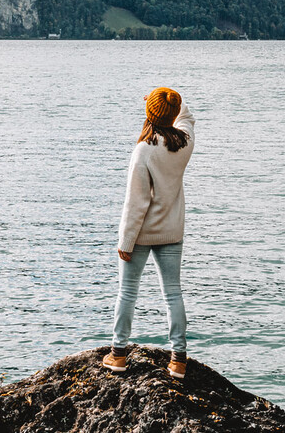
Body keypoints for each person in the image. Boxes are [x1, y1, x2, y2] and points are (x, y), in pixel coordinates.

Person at [102, 87, 195, 379]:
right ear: (173, 113)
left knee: (127, 293)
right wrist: (170, 100)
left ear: (150, 114)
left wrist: (125, 242)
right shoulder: (185, 142)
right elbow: (188, 116)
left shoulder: (143, 149)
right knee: (173, 293)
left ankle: (118, 355)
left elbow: (136, 202)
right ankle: (178, 360)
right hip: (171, 231)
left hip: (141, 234)